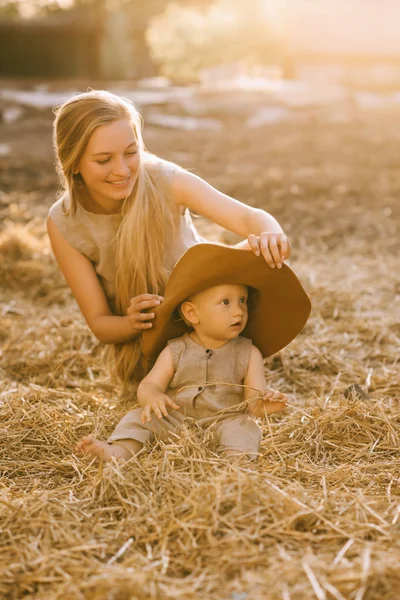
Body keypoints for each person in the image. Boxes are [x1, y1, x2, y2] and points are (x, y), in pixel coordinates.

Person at [48, 90, 292, 383]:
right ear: (73, 163)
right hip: (152, 339)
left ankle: (235, 355)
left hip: (207, 309)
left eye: (130, 152)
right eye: (103, 160)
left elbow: (247, 217)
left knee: (259, 252)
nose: (122, 170)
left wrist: (272, 235)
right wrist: (131, 322)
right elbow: (100, 324)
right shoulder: (64, 223)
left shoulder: (165, 180)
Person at [76, 243, 311, 462]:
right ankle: (119, 451)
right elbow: (148, 386)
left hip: (224, 421)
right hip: (175, 420)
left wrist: (267, 404)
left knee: (245, 427)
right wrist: (154, 397)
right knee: (139, 418)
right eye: (225, 303)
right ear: (192, 314)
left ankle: (234, 463)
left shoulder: (249, 353)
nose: (238, 311)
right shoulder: (175, 349)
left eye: (242, 300)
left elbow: (253, 402)